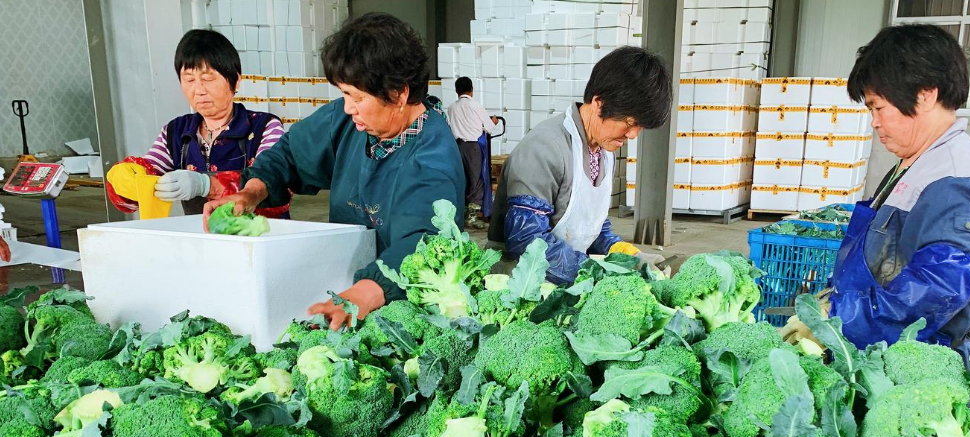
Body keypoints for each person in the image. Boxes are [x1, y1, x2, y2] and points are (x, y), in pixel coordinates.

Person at [203, 13, 464, 330]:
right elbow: (289, 153)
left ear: (399, 93)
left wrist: (365, 292)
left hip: (404, 313)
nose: (347, 108)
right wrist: (250, 194)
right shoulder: (350, 123)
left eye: (357, 97)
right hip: (346, 294)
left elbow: (426, 242)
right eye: (344, 94)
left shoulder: (433, 158)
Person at [781, 24, 970, 360]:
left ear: (925, 94)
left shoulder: (956, 182)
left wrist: (834, 319)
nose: (874, 121)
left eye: (878, 107)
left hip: (909, 363)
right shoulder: (918, 161)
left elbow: (935, 292)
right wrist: (830, 303)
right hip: (872, 349)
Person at [488, 46, 672, 284]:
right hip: (520, 283)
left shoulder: (604, 149)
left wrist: (628, 256)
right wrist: (597, 273)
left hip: (568, 277)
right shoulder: (545, 149)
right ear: (598, 103)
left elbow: (589, 225)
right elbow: (527, 242)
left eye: (640, 127)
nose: (633, 135)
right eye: (629, 122)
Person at [106, 29, 290, 217]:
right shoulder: (176, 133)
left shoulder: (264, 127)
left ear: (235, 81)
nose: (199, 90)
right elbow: (143, 183)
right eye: (189, 80)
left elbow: (276, 184)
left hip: (259, 237)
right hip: (201, 239)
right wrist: (128, 180)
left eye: (208, 79)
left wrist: (205, 185)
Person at [447, 77, 499, 229]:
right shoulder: (475, 105)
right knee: (476, 181)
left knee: (462, 180)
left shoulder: (451, 108)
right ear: (471, 90)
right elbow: (489, 127)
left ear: (456, 91)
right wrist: (494, 121)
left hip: (457, 147)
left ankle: (460, 215)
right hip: (473, 148)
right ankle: (472, 217)